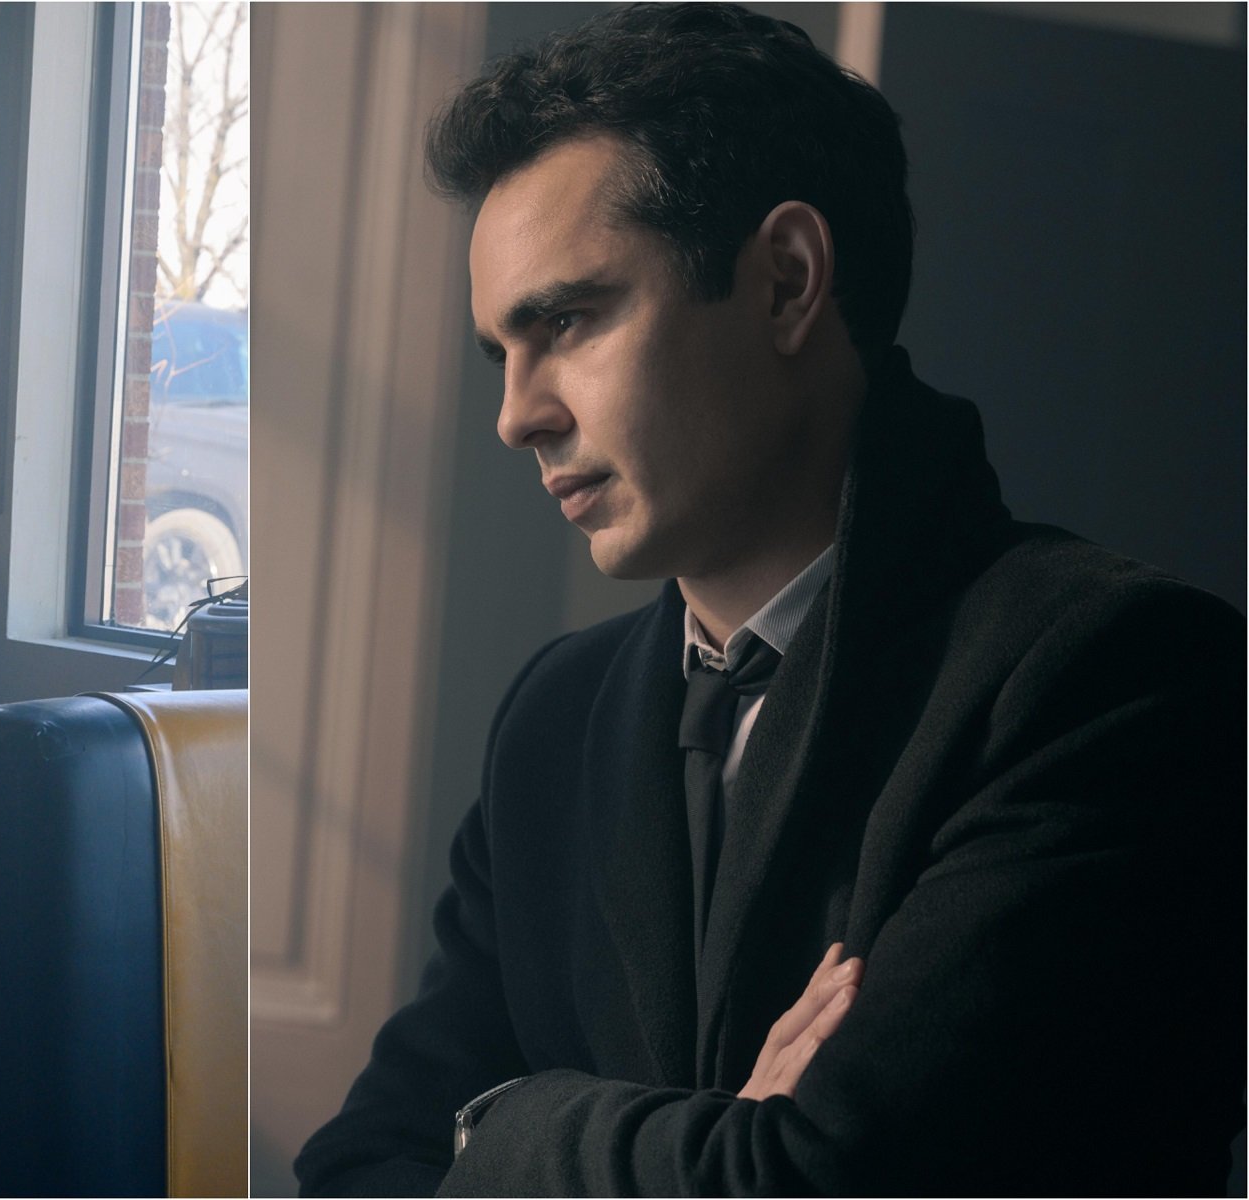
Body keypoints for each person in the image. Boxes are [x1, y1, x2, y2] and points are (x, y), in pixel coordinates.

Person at [293, 5, 1244, 1195]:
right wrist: (705, 1146)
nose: (515, 415)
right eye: (501, 352)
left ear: (786, 282)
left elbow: (816, 1180)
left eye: (568, 322)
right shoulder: (554, 717)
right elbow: (351, 1171)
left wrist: (497, 1132)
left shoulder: (1114, 673)